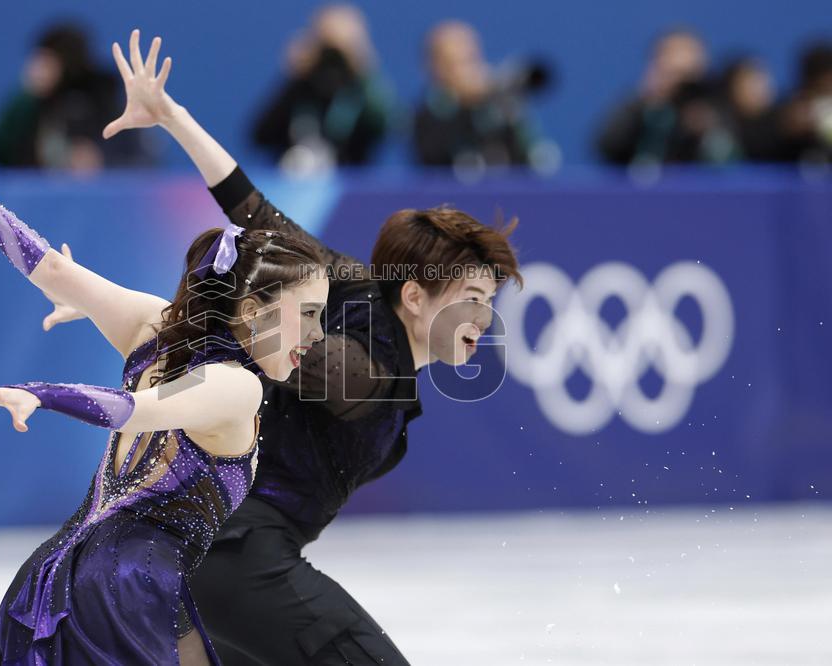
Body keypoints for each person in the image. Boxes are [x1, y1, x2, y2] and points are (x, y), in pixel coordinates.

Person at [86, 30, 520, 663]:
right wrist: (166, 316)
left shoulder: (346, 285)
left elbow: (253, 209)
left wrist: (173, 116)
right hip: (238, 557)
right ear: (418, 297)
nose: (485, 317)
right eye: (473, 296)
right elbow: (267, 331)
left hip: (204, 556)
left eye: (490, 299)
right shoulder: (367, 368)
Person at [0, 125, 328, 665]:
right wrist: (39, 393)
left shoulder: (154, 324)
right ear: (251, 312)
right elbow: (137, 410)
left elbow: (52, 270)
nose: (316, 337)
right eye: (309, 316)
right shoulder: (234, 384)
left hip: (57, 576)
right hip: (125, 591)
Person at [0, 22, 155, 171]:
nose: (41, 70)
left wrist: (101, 159)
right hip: (39, 198)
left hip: (100, 199)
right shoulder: (31, 101)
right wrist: (26, 96)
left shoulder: (103, 96)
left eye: (48, 61)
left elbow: (140, 159)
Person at [250, 3, 393, 171]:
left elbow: (386, 125)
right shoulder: (301, 87)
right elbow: (260, 135)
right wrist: (293, 76)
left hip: (349, 186)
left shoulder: (359, 88)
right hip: (296, 185)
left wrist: (364, 69)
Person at [413, 20, 551, 170]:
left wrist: (510, 108)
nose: (468, 70)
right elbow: (438, 159)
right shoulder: (427, 115)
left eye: (471, 59)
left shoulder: (499, 106)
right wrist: (467, 105)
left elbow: (532, 158)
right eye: (456, 63)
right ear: (435, 67)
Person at [596, 29, 736, 165]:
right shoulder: (643, 103)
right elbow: (608, 148)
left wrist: (706, 127)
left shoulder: (716, 103)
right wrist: (647, 102)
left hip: (705, 187)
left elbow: (733, 156)